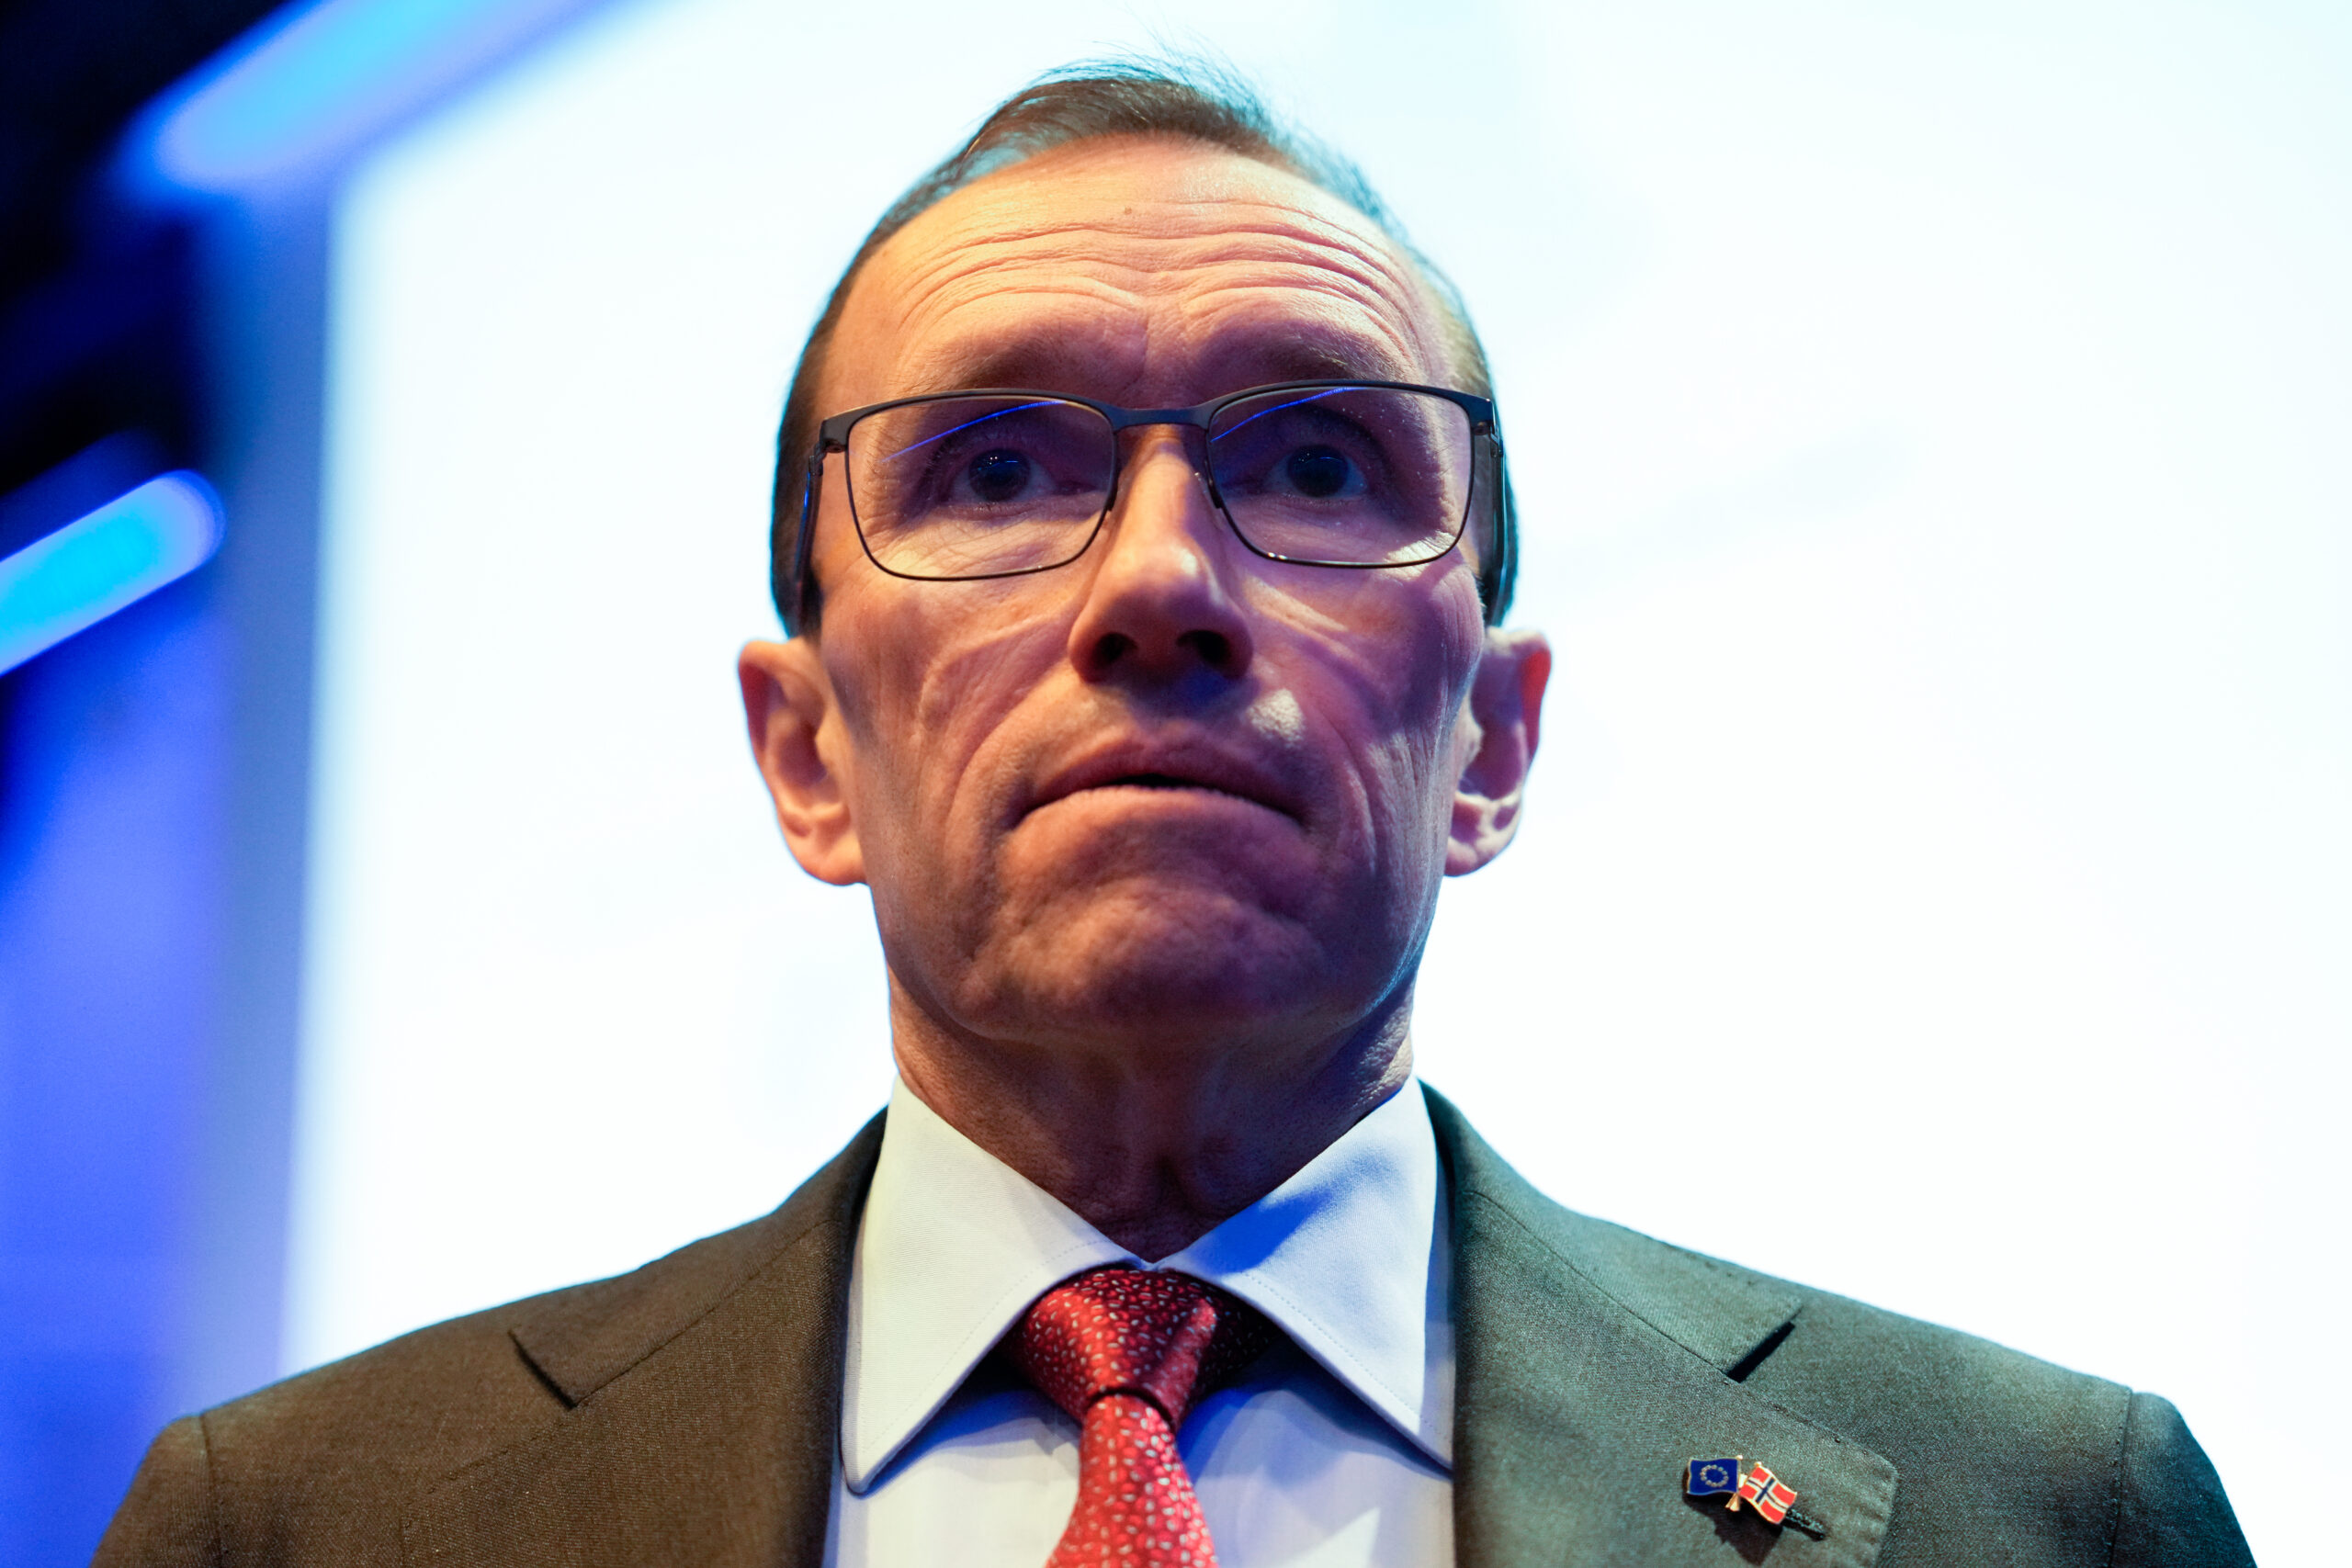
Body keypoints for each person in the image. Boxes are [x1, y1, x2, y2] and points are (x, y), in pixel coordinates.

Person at [96, 61, 2250, 1568]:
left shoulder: (2043, 1513)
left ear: (1489, 742)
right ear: (806, 752)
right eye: (995, 468)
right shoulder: (293, 1526)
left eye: (1314, 465)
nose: (1155, 581)